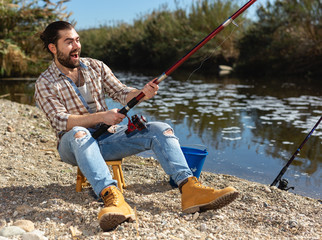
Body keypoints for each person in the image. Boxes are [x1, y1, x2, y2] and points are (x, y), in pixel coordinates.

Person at [35, 21, 239, 232]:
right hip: (73, 145)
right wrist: (103, 116)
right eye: (68, 42)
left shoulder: (96, 66)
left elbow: (122, 93)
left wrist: (141, 93)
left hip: (108, 138)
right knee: (79, 133)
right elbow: (61, 121)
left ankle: (190, 189)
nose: (76, 46)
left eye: (77, 40)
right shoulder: (44, 83)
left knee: (160, 128)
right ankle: (113, 199)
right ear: (53, 48)